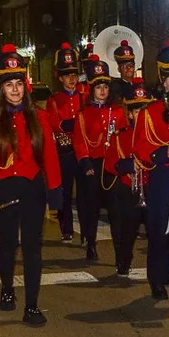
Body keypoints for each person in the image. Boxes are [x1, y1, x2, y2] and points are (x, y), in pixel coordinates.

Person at [0, 45, 62, 326]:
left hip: (32, 191)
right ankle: (7, 290)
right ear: (1, 89)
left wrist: (56, 192)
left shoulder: (40, 117)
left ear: (25, 86)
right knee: (8, 245)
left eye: (19, 84)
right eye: (9, 85)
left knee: (33, 248)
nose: (15, 90)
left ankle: (32, 306)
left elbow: (50, 157)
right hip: (3, 191)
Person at [132, 38, 169, 303]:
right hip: (161, 177)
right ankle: (157, 279)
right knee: (159, 232)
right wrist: (161, 152)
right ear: (163, 82)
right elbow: (140, 148)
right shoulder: (150, 112)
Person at [73, 55, 126, 262]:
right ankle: (91, 243)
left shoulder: (118, 111)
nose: (103, 90)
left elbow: (123, 137)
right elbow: (79, 141)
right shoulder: (83, 114)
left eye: (105, 86)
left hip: (112, 165)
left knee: (115, 211)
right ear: (91, 89)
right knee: (91, 208)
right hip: (93, 165)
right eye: (98, 87)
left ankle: (119, 250)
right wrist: (85, 161)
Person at [103, 78, 152, 278]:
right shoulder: (120, 136)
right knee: (127, 231)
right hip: (128, 188)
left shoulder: (155, 136)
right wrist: (123, 166)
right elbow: (109, 163)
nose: (139, 114)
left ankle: (157, 272)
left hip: (150, 188)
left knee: (156, 233)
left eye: (143, 109)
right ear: (130, 113)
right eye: (136, 110)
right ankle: (123, 261)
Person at [45, 42, 83, 243]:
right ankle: (66, 227)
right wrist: (69, 124)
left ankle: (86, 229)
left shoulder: (84, 97)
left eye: (74, 75)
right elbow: (54, 123)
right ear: (60, 78)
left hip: (82, 150)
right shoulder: (54, 99)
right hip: (66, 150)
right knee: (65, 191)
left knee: (85, 193)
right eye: (67, 75)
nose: (71, 79)